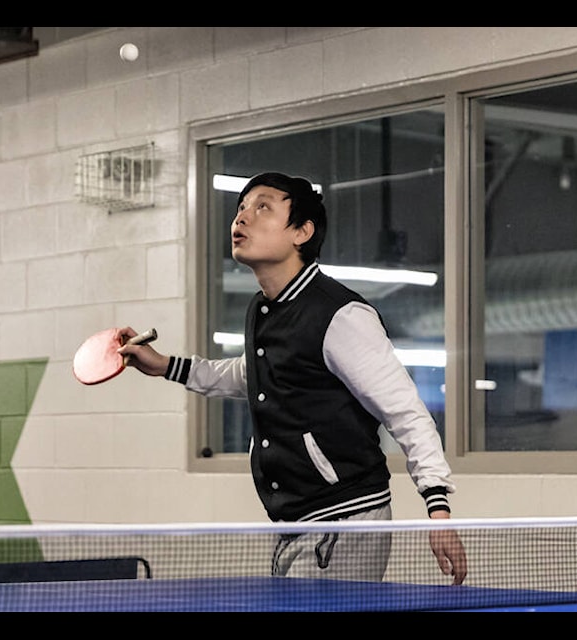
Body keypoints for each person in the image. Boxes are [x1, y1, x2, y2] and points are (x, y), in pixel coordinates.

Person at [118, 172, 467, 585]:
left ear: (302, 231)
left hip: (345, 520)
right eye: (241, 207)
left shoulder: (340, 315)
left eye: (262, 206)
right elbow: (254, 374)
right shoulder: (264, 308)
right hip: (291, 523)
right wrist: (165, 366)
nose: (242, 218)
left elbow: (406, 412)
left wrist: (437, 509)